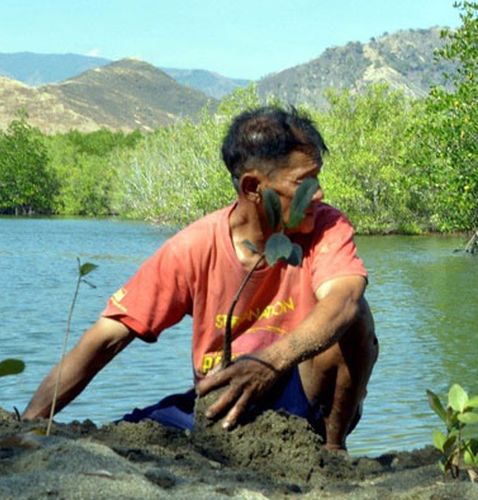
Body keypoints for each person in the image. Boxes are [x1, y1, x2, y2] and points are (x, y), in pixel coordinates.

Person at [22, 106, 378, 451]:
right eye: (304, 183)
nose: (318, 194)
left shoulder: (328, 225)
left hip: (302, 394)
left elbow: (343, 301)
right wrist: (31, 420)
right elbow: (105, 338)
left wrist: (270, 362)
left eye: (317, 179)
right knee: (122, 436)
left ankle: (332, 451)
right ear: (254, 187)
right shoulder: (193, 246)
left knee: (356, 315)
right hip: (221, 399)